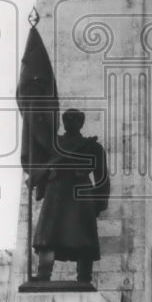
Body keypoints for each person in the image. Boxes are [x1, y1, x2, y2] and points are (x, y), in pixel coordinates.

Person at [30, 108, 110, 284]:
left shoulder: (92, 147)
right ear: (64, 122)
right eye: (67, 119)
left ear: (81, 123)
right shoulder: (53, 144)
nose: (70, 122)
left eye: (74, 119)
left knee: (84, 238)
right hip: (56, 192)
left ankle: (84, 277)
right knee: (48, 235)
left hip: (80, 193)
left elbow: (102, 178)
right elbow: (39, 165)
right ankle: (43, 273)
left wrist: (98, 203)